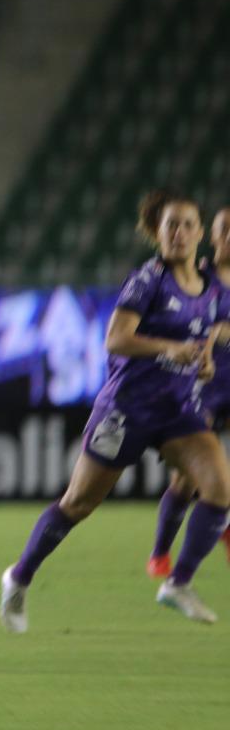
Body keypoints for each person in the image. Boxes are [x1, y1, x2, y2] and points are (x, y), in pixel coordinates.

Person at [1, 190, 226, 632]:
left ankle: (177, 583)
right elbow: (116, 339)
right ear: (157, 234)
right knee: (78, 504)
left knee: (220, 488)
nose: (179, 233)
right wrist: (171, 348)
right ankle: (19, 576)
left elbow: (205, 344)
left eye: (186, 224)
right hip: (127, 410)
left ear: (201, 233)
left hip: (178, 410)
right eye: (170, 226)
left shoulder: (210, 289)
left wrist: (204, 361)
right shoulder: (149, 280)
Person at [146, 207, 230, 579]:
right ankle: (161, 553)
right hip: (204, 385)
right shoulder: (201, 279)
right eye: (225, 229)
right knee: (187, 479)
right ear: (211, 237)